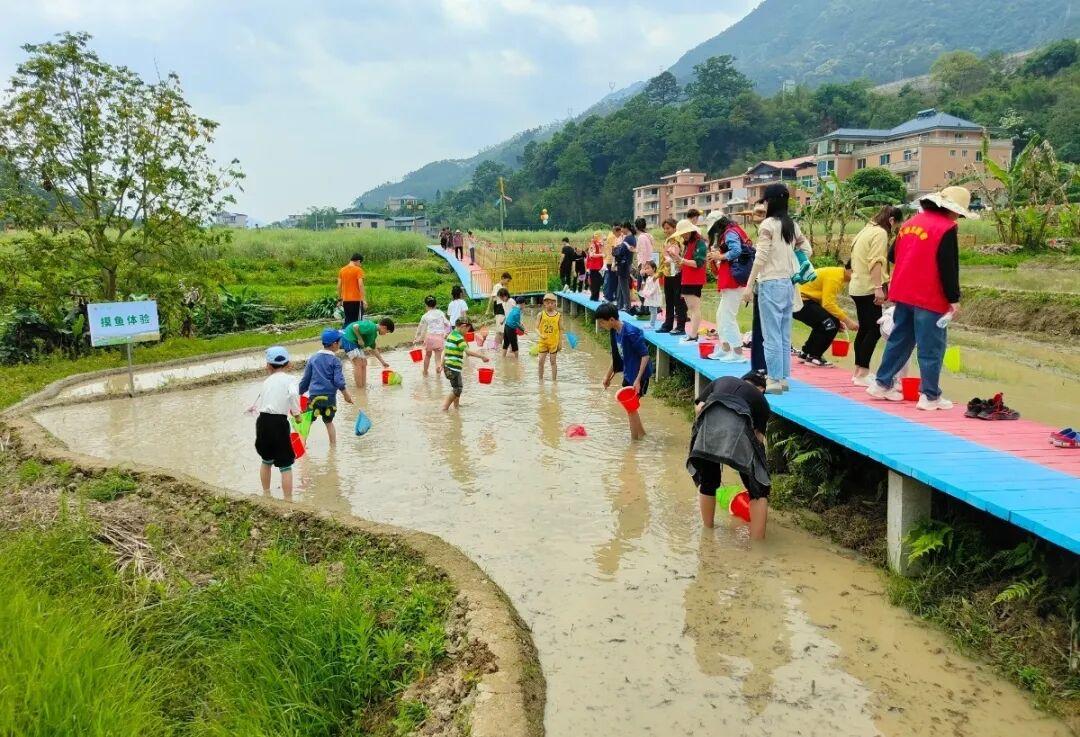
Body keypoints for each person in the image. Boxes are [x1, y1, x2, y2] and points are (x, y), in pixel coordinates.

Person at [868, 186, 970, 410]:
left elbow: (893, 255)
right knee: (931, 346)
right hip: (929, 296)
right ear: (950, 209)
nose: (958, 217)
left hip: (903, 291)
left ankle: (881, 383)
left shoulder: (909, 223)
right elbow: (948, 266)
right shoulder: (946, 228)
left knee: (900, 339)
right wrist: (954, 299)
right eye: (958, 212)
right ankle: (930, 396)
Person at [742, 184, 811, 394]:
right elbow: (806, 249)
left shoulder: (768, 225)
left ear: (770, 201)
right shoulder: (791, 225)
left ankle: (772, 380)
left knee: (770, 334)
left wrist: (748, 285)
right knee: (783, 333)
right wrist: (794, 265)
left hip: (769, 283)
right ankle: (781, 378)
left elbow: (760, 256)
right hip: (788, 283)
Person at [688, 372, 771, 538]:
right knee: (759, 491)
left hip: (708, 430)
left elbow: (699, 408)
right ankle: (758, 546)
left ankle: (708, 533)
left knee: (708, 483)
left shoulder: (722, 380)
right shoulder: (761, 401)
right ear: (761, 388)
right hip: (741, 432)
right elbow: (758, 439)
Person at [849, 205, 902, 386]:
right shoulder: (880, 233)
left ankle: (858, 371)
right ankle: (863, 373)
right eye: (895, 227)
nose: (893, 231)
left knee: (865, 329)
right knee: (873, 330)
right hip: (868, 287)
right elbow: (876, 262)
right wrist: (878, 287)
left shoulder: (866, 230)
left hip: (856, 285)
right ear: (892, 220)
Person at [596, 302, 652, 440]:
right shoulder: (615, 332)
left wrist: (638, 380)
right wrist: (607, 377)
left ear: (611, 320)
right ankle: (643, 436)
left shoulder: (630, 332)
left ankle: (634, 444)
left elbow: (645, 356)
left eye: (602, 323)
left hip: (639, 376)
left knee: (630, 409)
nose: (601, 326)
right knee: (631, 409)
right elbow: (617, 357)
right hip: (629, 374)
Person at [252, 346, 301, 501]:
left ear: (268, 366)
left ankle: (266, 494)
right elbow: (293, 395)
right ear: (289, 364)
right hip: (279, 423)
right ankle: (288, 500)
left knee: (266, 460)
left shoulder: (266, 381)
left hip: (262, 421)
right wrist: (297, 414)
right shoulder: (290, 379)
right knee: (285, 464)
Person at [298, 328, 356, 446]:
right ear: (334, 344)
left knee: (307, 421)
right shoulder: (335, 360)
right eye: (340, 341)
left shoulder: (313, 358)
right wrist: (346, 395)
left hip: (314, 397)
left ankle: (302, 446)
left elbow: (306, 380)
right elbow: (338, 381)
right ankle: (333, 447)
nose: (341, 343)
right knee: (329, 422)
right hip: (329, 398)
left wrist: (299, 392)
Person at [794, 264, 858, 367]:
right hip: (800, 301)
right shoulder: (835, 277)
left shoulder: (837, 275)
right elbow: (828, 303)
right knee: (830, 325)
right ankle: (814, 357)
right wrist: (847, 321)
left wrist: (837, 319)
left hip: (803, 301)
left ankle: (806, 353)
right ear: (850, 270)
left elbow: (825, 301)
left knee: (828, 323)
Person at [706, 214, 750, 362]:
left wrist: (720, 256)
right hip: (731, 279)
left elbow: (736, 251)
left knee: (728, 316)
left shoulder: (730, 232)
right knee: (721, 315)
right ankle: (725, 349)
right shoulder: (732, 230)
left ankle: (737, 352)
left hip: (734, 280)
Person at [666, 218, 706, 344]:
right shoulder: (688, 244)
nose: (683, 235)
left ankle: (693, 335)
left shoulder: (699, 243)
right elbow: (685, 262)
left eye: (685, 233)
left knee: (695, 308)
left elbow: (698, 263)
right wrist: (676, 259)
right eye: (682, 233)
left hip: (694, 280)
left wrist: (681, 260)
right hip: (687, 278)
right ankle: (692, 334)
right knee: (691, 308)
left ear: (691, 231)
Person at [440, 317, 490, 411]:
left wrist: (442, 364)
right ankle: (444, 408)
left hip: (448, 367)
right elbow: (467, 352)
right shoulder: (459, 338)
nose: (467, 332)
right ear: (463, 326)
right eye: (467, 330)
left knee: (456, 387)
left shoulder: (451, 335)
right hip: (453, 367)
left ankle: (456, 406)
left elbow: (445, 351)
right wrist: (482, 356)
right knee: (458, 389)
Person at [341, 317, 395, 389]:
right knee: (358, 363)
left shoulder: (373, 334)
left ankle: (363, 386)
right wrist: (360, 338)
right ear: (384, 327)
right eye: (387, 332)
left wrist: (383, 362)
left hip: (355, 343)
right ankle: (359, 388)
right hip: (348, 339)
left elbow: (374, 349)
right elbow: (355, 326)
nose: (385, 334)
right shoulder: (371, 327)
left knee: (364, 362)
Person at [657, 218, 687, 334]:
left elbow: (678, 256)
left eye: (668, 228)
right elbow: (663, 258)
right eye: (664, 229)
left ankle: (680, 326)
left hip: (678, 273)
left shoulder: (679, 239)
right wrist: (659, 272)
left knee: (678, 301)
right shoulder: (667, 240)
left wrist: (672, 258)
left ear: (675, 227)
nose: (666, 231)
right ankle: (668, 324)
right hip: (667, 273)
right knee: (668, 300)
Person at [748, 202, 768, 374]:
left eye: (761, 212)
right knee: (760, 328)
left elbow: (759, 260)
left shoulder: (769, 229)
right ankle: (761, 368)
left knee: (765, 329)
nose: (757, 216)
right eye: (755, 213)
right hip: (763, 283)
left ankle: (763, 369)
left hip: (768, 284)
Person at [414, 295, 451, 376]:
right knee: (438, 358)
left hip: (430, 338)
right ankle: (438, 370)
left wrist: (417, 338)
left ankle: (425, 372)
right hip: (439, 338)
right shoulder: (440, 313)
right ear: (436, 304)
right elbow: (448, 324)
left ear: (426, 305)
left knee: (427, 356)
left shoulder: (425, 316)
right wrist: (446, 333)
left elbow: (421, 328)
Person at [537, 293, 564, 382]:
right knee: (541, 361)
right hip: (543, 341)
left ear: (555, 303)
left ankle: (554, 381)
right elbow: (536, 328)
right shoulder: (541, 314)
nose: (550, 305)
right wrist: (540, 335)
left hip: (553, 342)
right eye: (548, 303)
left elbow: (561, 330)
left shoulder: (559, 316)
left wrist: (560, 343)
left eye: (552, 303)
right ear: (544, 303)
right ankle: (540, 380)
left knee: (553, 362)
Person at [337, 253, 366, 325]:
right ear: (358, 261)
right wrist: (364, 300)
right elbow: (361, 285)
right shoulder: (358, 270)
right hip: (357, 301)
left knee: (348, 321)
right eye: (360, 263)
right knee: (358, 323)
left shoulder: (342, 270)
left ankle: (345, 335)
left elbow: (339, 286)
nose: (360, 265)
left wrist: (340, 299)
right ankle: (355, 336)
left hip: (346, 301)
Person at [614, 222, 636, 312]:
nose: (621, 230)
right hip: (627, 263)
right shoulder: (632, 238)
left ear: (626, 228)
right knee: (621, 285)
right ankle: (620, 305)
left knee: (624, 286)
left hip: (624, 264)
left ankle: (627, 306)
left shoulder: (628, 238)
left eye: (622, 228)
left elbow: (621, 251)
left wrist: (616, 249)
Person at [493, 287, 519, 355]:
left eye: (501, 298)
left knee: (513, 343)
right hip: (507, 325)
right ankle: (505, 357)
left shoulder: (511, 301)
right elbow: (507, 314)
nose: (501, 299)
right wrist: (503, 320)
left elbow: (516, 312)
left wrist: (518, 324)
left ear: (506, 295)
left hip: (512, 325)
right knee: (506, 343)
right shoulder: (504, 303)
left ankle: (516, 359)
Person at [638, 260, 662, 329]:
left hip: (654, 296)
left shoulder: (655, 277)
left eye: (648, 268)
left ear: (654, 269)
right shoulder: (648, 278)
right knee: (651, 310)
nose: (646, 270)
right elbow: (646, 287)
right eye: (645, 269)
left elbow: (654, 288)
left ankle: (652, 324)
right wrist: (644, 292)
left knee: (653, 311)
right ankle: (651, 323)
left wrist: (648, 293)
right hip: (650, 296)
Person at [602, 222, 620, 303]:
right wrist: (614, 263)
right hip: (612, 261)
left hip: (609, 260)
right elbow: (614, 249)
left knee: (610, 279)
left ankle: (609, 296)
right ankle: (611, 297)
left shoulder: (609, 234)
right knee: (613, 280)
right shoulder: (613, 236)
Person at [586, 232, 605, 301]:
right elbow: (591, 255)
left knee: (598, 282)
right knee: (595, 282)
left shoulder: (598, 244)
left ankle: (595, 297)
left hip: (598, 266)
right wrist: (601, 255)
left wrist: (601, 245)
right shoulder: (592, 244)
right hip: (593, 266)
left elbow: (602, 247)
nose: (599, 238)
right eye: (597, 236)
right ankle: (594, 297)